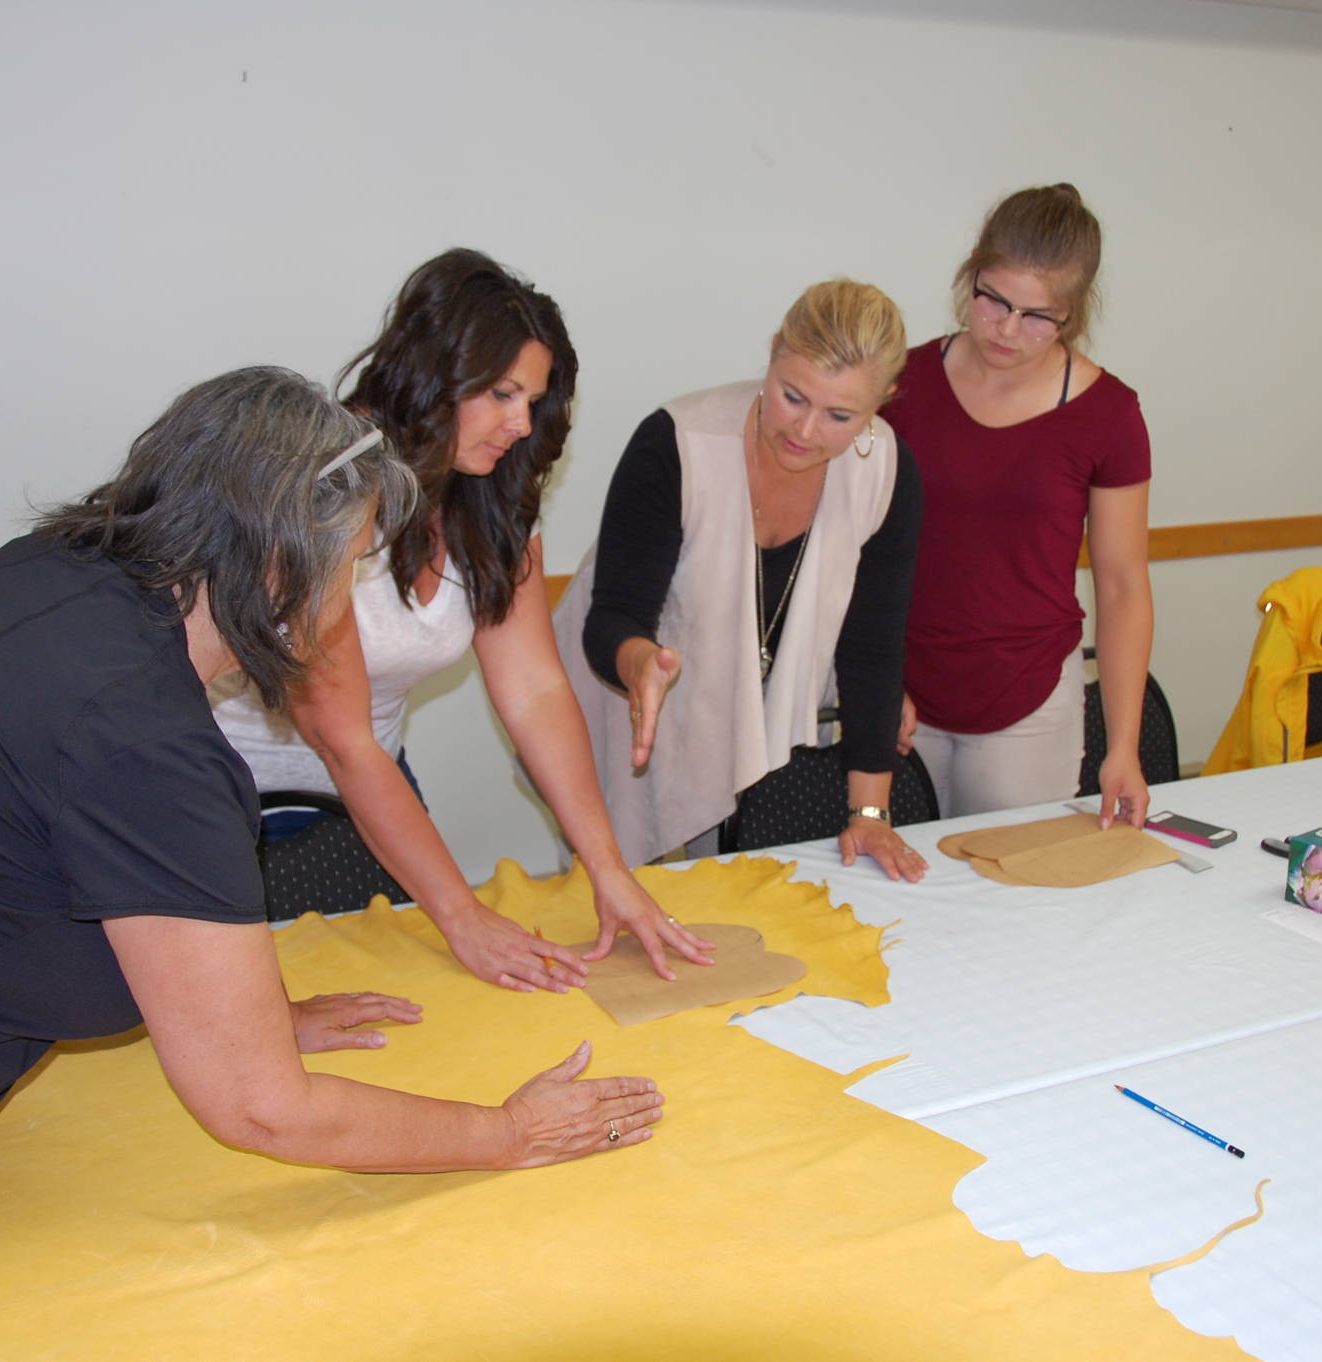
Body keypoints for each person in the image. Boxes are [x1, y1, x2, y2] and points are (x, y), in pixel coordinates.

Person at [0, 368, 665, 1362]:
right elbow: (259, 1107)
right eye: (347, 568)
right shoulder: (148, 742)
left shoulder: (54, 578)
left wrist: (236, 1014)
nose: (344, 606)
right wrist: (504, 1133)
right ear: (276, 565)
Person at [212, 250, 713, 985]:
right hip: (222, 782)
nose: (520, 422)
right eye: (502, 393)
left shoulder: (489, 495)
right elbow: (338, 736)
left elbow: (535, 690)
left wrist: (608, 868)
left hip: (372, 779)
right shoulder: (326, 482)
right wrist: (462, 914)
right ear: (433, 374)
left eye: (534, 400)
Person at [553, 280, 928, 881]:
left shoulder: (886, 470)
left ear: (882, 401)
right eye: (792, 396)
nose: (805, 431)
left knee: (728, 908)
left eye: (840, 415)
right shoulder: (677, 442)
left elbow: (873, 647)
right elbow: (614, 616)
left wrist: (870, 812)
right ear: (774, 351)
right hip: (629, 699)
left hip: (755, 701)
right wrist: (638, 661)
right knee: (621, 893)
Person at [884, 184, 1155, 826]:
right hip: (901, 690)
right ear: (970, 275)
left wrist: (1123, 748)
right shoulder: (901, 385)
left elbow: (1121, 587)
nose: (1006, 330)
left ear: (1074, 313)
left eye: (1037, 316)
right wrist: (870, 677)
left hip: (1029, 703)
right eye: (993, 300)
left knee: (1009, 894)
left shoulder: (1108, 414)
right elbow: (854, 549)